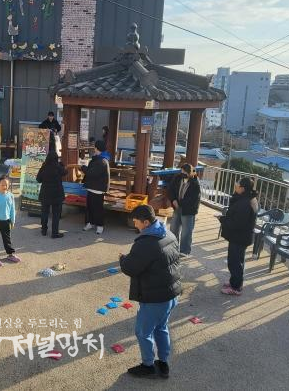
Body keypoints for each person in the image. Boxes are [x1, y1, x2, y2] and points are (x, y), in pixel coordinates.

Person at [119, 205, 181, 379]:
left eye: (136, 222)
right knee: (161, 327)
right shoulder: (168, 233)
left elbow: (130, 268)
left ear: (146, 222)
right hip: (171, 293)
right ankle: (163, 362)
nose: (135, 225)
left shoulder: (146, 243)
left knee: (143, 332)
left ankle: (148, 365)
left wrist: (123, 259)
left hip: (155, 298)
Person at [219, 177, 258, 296]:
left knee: (234, 262)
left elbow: (237, 223)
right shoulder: (247, 198)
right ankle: (235, 282)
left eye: (238, 184)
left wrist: (222, 219)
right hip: (241, 236)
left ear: (243, 188)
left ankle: (235, 288)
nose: (235, 185)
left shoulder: (245, 203)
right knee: (237, 261)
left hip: (239, 237)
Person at [167, 163, 201, 257]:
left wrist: (179, 203)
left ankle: (184, 250)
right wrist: (173, 200)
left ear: (190, 173)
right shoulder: (178, 178)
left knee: (186, 231)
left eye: (184, 173)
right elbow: (171, 189)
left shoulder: (195, 183)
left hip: (188, 210)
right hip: (177, 207)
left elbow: (192, 199)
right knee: (174, 228)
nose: (182, 174)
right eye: (181, 172)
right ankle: (173, 247)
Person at [0, 175, 20, 267]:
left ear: (8, 185)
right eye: (2, 184)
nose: (4, 186)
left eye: (6, 185)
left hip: (6, 221)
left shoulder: (11, 196)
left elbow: (12, 209)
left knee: (7, 239)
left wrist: (12, 221)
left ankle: (10, 254)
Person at [82, 140, 110, 235]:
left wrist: (83, 168)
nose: (94, 149)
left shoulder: (102, 160)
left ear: (97, 148)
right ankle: (90, 223)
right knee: (90, 207)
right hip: (91, 187)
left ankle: (100, 226)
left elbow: (92, 173)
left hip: (98, 189)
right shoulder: (99, 159)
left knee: (97, 209)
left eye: (95, 147)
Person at [36, 151, 66, 238]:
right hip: (57, 194)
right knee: (56, 214)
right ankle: (54, 233)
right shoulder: (58, 167)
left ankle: (44, 230)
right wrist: (62, 165)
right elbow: (65, 172)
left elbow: (38, 179)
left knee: (44, 212)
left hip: (45, 193)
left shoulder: (44, 167)